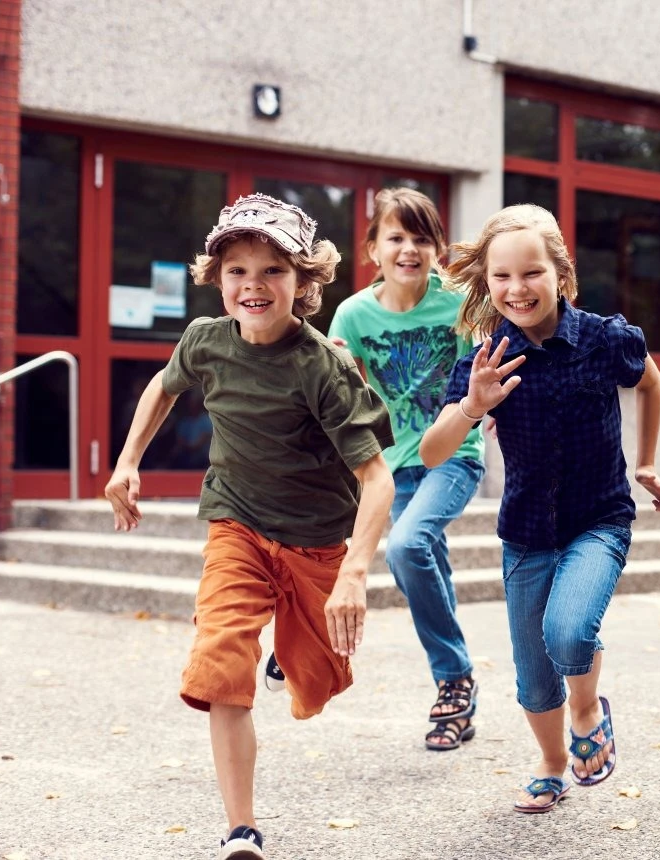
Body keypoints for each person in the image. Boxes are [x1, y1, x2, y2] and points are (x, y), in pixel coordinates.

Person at [103, 193, 395, 859]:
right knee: (219, 665)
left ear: (304, 281)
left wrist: (354, 574)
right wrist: (127, 463)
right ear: (217, 278)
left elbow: (378, 478)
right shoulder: (205, 340)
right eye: (238, 270)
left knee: (318, 678)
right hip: (236, 521)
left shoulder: (321, 366)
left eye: (272, 271)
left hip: (317, 537)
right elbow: (163, 387)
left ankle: (288, 658)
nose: (253, 286)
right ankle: (242, 828)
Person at [419, 204, 660, 813]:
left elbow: (650, 381)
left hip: (599, 520)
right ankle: (550, 761)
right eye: (502, 277)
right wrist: (471, 405)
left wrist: (646, 463)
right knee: (535, 679)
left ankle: (588, 708)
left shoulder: (603, 338)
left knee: (568, 634)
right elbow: (434, 452)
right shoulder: (487, 357)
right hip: (527, 533)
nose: (517, 289)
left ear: (560, 274)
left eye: (531, 273)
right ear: (487, 284)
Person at [268, 187, 486, 752]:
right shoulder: (355, 314)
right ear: (373, 248)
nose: (409, 249)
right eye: (396, 237)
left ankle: (455, 677)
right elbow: (348, 399)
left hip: (452, 458)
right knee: (411, 555)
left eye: (421, 238)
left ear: (438, 248)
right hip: (388, 466)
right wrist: (335, 368)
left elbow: (482, 379)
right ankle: (301, 640)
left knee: (410, 547)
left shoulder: (460, 304)